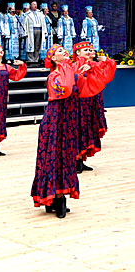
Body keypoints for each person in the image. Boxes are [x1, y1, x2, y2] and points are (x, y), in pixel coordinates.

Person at [31, 44, 107, 218]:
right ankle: (56, 198)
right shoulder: (54, 76)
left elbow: (91, 88)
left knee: (65, 158)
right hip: (54, 122)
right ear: (53, 59)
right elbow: (64, 90)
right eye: (59, 51)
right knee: (54, 158)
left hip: (69, 122)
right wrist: (75, 71)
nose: (64, 51)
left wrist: (93, 69)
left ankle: (60, 196)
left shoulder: (71, 73)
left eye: (64, 50)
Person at [73, 42, 116, 173]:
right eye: (85, 50)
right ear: (77, 53)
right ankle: (76, 160)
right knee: (80, 129)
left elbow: (107, 75)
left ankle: (81, 159)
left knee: (89, 129)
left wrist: (106, 61)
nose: (89, 52)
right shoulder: (75, 65)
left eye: (91, 50)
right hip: (80, 103)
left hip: (93, 102)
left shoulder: (95, 65)